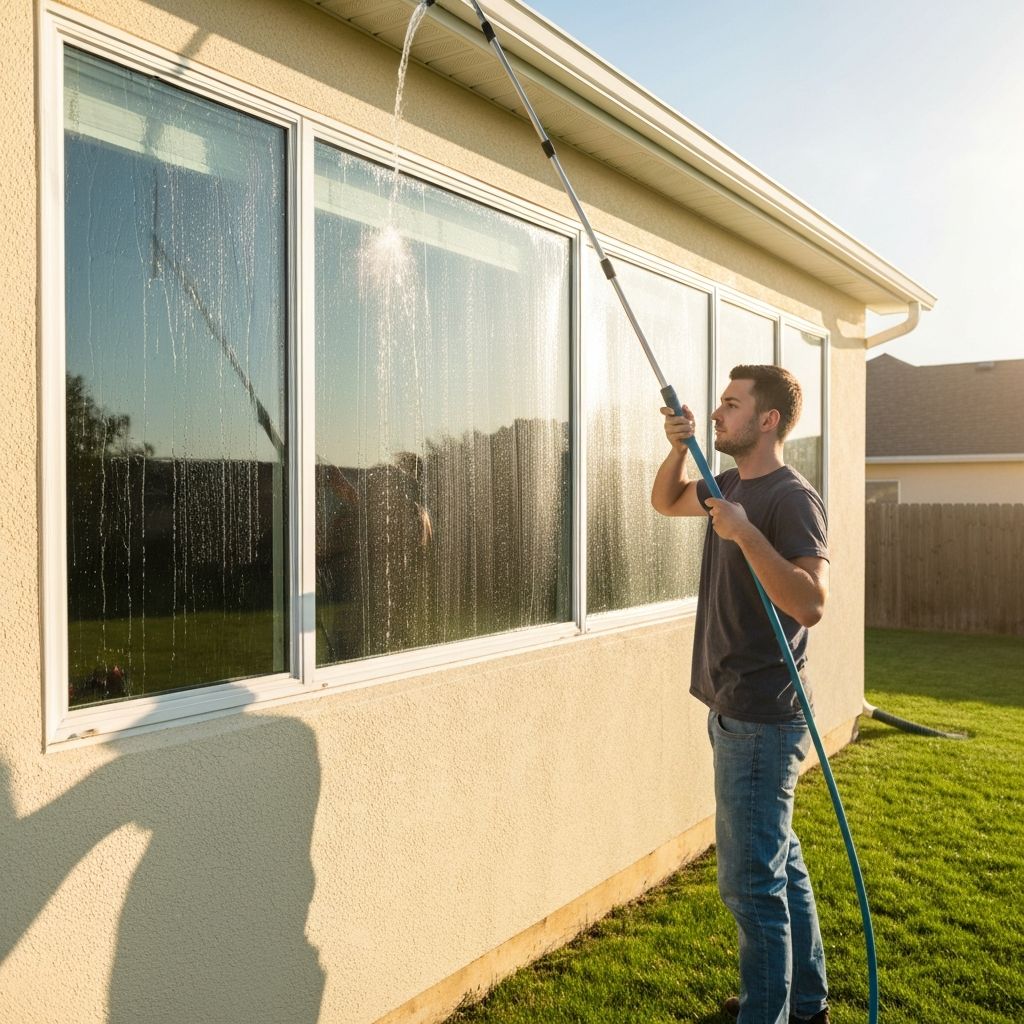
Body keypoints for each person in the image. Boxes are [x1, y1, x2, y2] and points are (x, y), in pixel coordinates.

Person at [651, 365, 831, 1024]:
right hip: (736, 708)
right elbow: (665, 502)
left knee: (751, 887)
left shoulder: (790, 497)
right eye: (719, 404)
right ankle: (807, 1006)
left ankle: (768, 1015)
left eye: (731, 404)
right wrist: (677, 447)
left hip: (761, 717)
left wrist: (746, 532)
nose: (718, 414)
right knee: (783, 865)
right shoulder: (726, 483)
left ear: (768, 420)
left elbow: (811, 603)